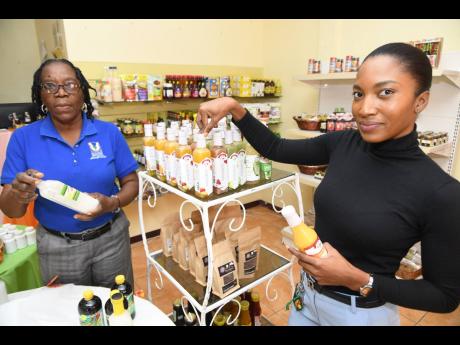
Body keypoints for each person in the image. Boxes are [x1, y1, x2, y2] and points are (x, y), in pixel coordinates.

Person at [196, 43, 460, 326]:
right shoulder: (343, 143)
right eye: (358, 94)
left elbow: (443, 296)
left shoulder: (440, 192)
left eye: (386, 92)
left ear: (420, 101)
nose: (365, 108)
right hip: (307, 300)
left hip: (361, 314)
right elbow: (276, 148)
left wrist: (358, 279)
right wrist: (235, 109)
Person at [0, 59, 139, 288]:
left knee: (118, 307)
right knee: (67, 315)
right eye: (50, 86)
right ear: (41, 95)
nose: (61, 93)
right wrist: (18, 192)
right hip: (57, 248)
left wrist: (111, 203)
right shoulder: (23, 139)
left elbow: (131, 182)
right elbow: (11, 209)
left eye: (70, 85)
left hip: (111, 241)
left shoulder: (108, 133)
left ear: (82, 91)